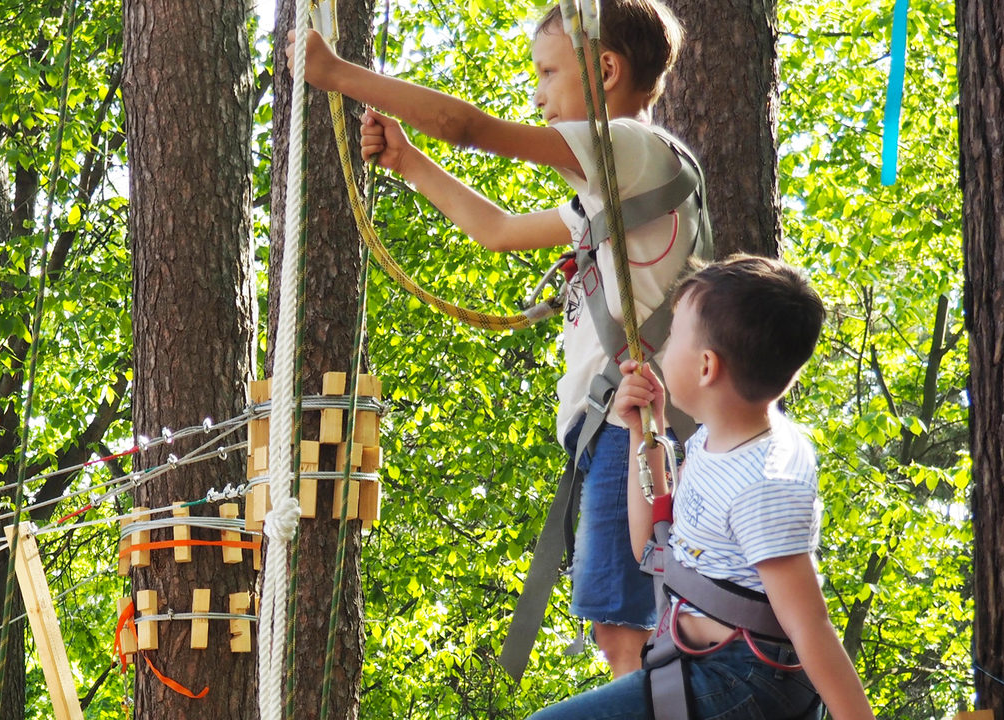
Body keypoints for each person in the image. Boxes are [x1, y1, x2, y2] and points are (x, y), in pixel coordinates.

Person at [291, 0, 706, 680]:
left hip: (630, 426)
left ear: (604, 70)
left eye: (547, 72)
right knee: (628, 621)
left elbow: (469, 127)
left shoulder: (628, 147)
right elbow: (502, 230)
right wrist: (410, 163)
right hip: (623, 425)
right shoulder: (622, 185)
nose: (536, 93)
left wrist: (339, 75)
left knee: (621, 629)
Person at [514, 255, 930, 720]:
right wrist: (640, 435)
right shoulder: (714, 441)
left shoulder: (768, 479)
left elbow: (809, 623)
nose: (661, 347)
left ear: (707, 367)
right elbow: (651, 548)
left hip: (752, 684)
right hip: (710, 670)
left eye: (674, 334)